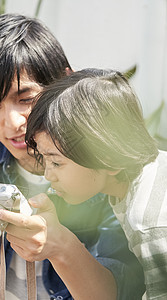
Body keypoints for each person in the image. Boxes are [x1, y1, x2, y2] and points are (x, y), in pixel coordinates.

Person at [0, 14, 145, 300]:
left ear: (65, 81)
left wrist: (60, 246)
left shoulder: (101, 150)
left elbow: (119, 292)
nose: (12, 123)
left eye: (25, 99)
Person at [24, 68, 167, 299]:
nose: (48, 175)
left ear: (108, 158)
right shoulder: (146, 175)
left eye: (57, 163)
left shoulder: (149, 221)